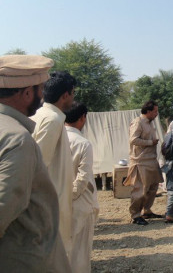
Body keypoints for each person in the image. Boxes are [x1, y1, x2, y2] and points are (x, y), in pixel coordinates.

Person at [0, 55, 71, 272]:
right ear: (27, 92)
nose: (43, 96)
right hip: (25, 257)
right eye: (40, 89)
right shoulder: (17, 138)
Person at [31, 70, 77, 256]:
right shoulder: (52, 119)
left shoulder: (44, 115)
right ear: (65, 95)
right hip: (50, 202)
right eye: (73, 93)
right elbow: (37, 164)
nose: (73, 98)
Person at [65, 102, 99, 273]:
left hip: (58, 201)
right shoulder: (83, 143)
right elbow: (83, 177)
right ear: (82, 118)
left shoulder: (56, 137)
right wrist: (70, 195)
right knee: (80, 253)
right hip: (80, 202)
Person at [123, 100, 163, 225]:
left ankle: (147, 210)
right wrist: (150, 143)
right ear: (148, 111)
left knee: (153, 188)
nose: (157, 114)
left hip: (151, 160)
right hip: (140, 161)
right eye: (155, 111)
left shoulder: (150, 123)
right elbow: (133, 139)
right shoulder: (138, 122)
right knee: (140, 190)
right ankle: (135, 215)